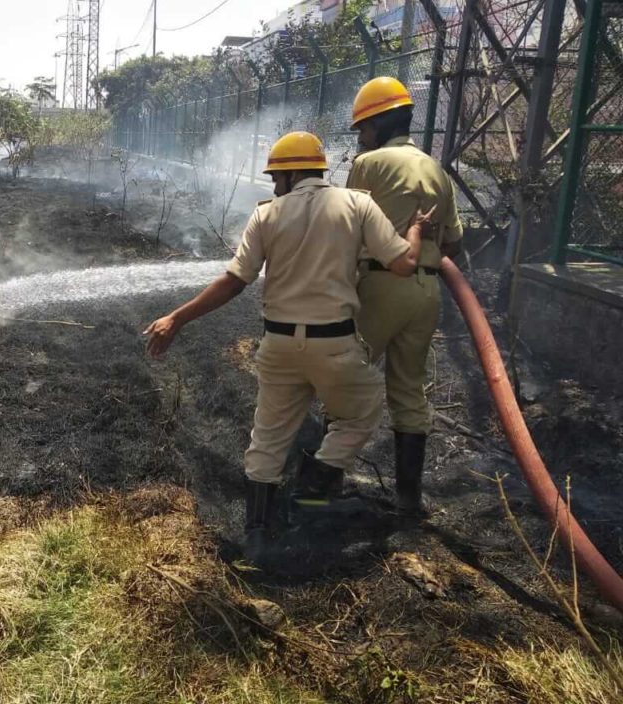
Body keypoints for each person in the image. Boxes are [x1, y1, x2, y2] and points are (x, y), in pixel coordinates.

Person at [143, 131, 433, 560]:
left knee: (268, 439)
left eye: (277, 176)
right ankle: (311, 492)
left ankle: (256, 536)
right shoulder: (357, 204)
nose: (276, 185)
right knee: (360, 414)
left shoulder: (268, 214)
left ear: (293, 172)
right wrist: (415, 230)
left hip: (278, 345)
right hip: (334, 345)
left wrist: (176, 318)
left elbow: (234, 282)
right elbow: (404, 265)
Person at [347, 76, 464, 515]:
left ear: (378, 123)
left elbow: (347, 224)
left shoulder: (369, 163)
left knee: (346, 374)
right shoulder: (436, 169)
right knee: (409, 391)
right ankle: (409, 499)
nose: (360, 137)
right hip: (426, 290)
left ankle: (322, 481)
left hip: (381, 284)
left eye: (363, 128)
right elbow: (454, 243)